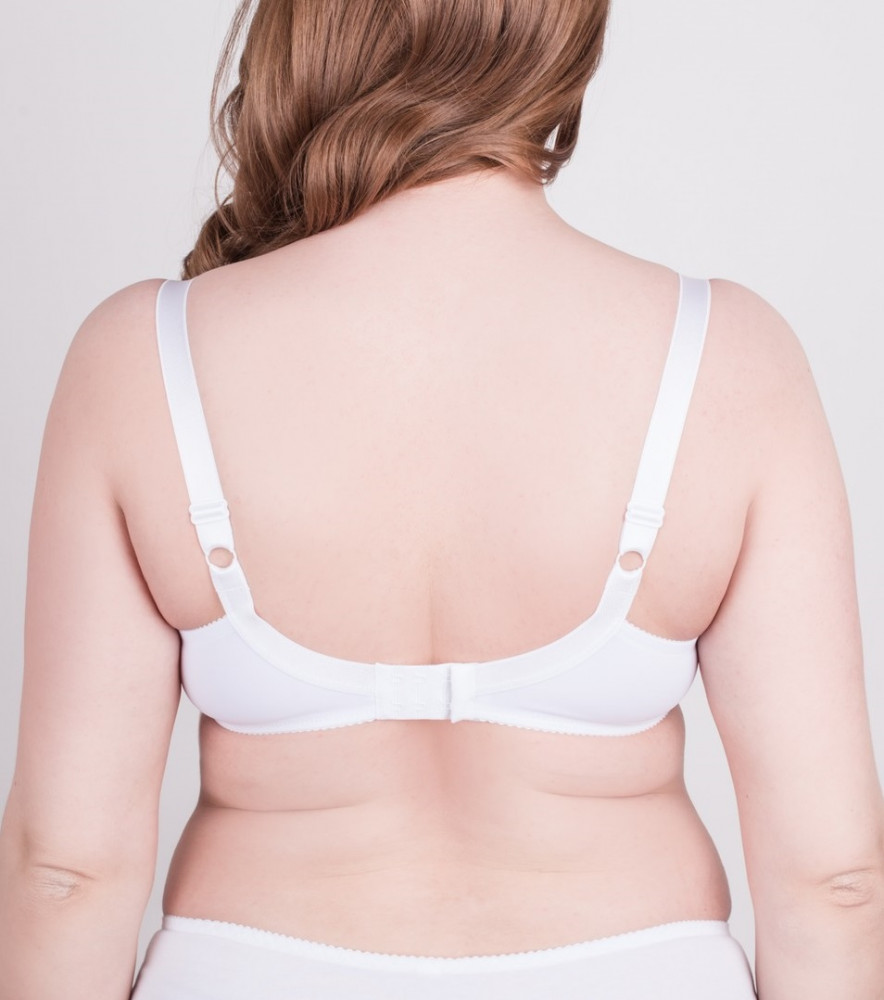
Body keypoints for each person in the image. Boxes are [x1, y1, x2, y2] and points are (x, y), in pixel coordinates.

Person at [1, 1, 882, 997]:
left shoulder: (138, 360)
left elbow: (64, 872)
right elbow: (834, 880)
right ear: (565, 35)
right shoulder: (728, 361)